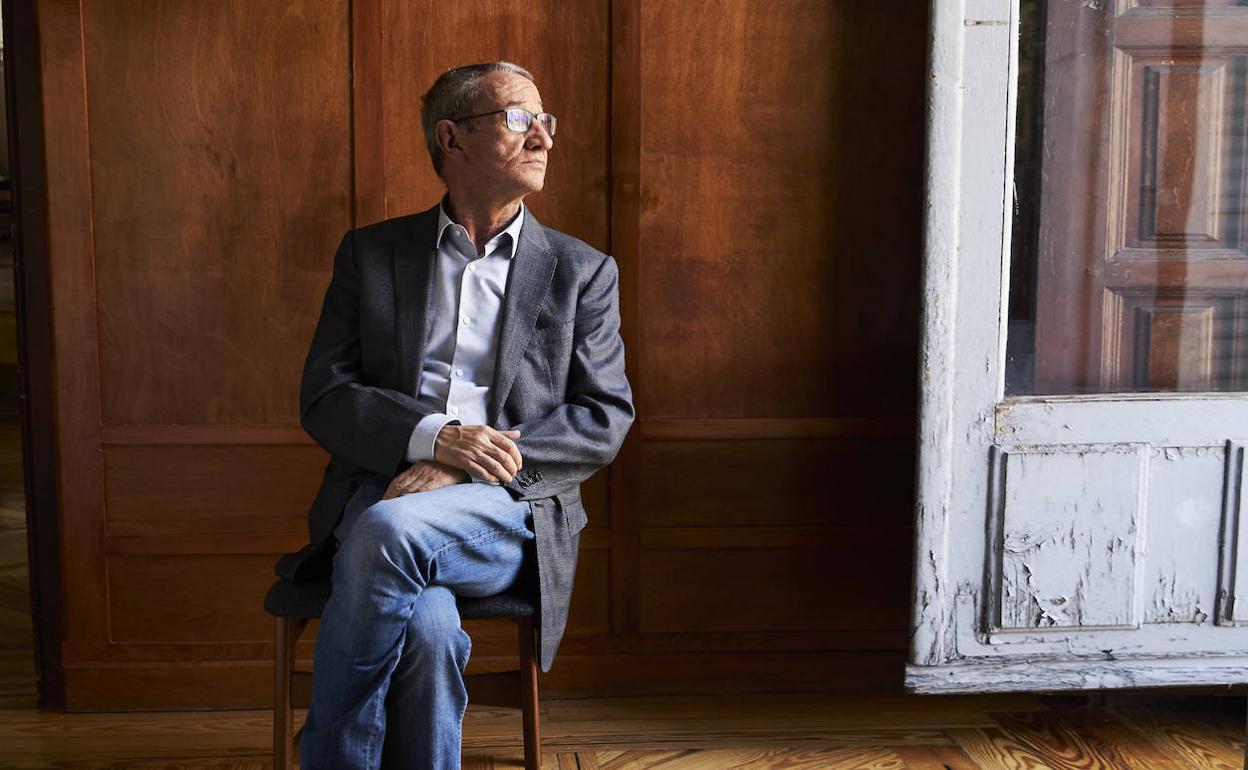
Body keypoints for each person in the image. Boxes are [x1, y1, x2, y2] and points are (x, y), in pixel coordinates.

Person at [277, 61, 635, 769]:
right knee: (429, 625)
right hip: (383, 486)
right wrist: (434, 439)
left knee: (388, 533)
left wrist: (470, 463)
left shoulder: (581, 270)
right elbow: (326, 393)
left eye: (544, 121)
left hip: (510, 509)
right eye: (518, 118)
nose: (543, 137)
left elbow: (603, 416)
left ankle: (329, 757)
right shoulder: (372, 256)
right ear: (452, 137)